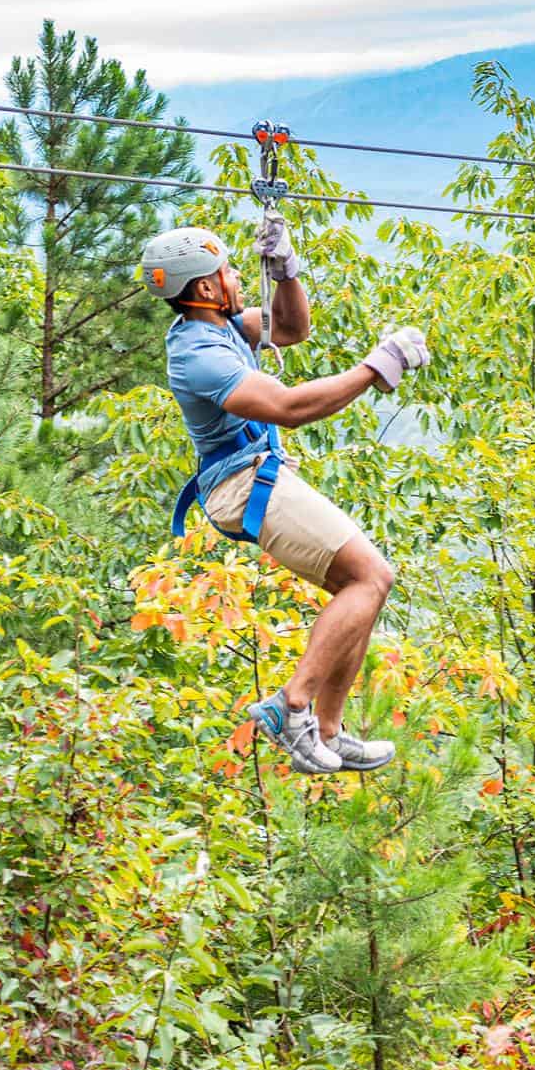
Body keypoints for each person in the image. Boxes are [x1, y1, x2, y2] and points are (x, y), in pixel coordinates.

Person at [141, 212, 429, 775]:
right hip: (242, 483)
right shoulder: (198, 352)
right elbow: (289, 408)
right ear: (204, 287)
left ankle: (326, 728)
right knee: (373, 576)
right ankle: (291, 708)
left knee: (361, 586)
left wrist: (287, 269)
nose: (238, 279)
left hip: (255, 475)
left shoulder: (219, 327)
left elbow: (292, 329)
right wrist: (377, 367)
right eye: (229, 271)